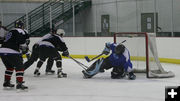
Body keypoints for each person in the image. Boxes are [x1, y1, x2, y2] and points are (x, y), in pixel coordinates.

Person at [0, 20, 29, 90]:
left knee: (9, 67)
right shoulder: (21, 31)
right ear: (22, 26)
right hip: (12, 51)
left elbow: (5, 39)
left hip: (2, 51)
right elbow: (22, 41)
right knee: (20, 67)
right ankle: (19, 83)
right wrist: (25, 47)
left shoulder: (10, 31)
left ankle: (6, 82)